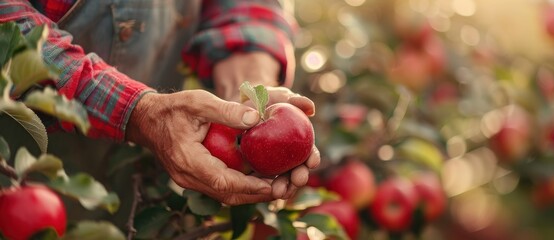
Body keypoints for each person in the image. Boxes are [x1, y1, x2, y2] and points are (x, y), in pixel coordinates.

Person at [0, 0, 320, 205]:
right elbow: (9, 30)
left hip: (152, 182)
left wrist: (252, 79)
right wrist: (138, 111)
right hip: (21, 171)